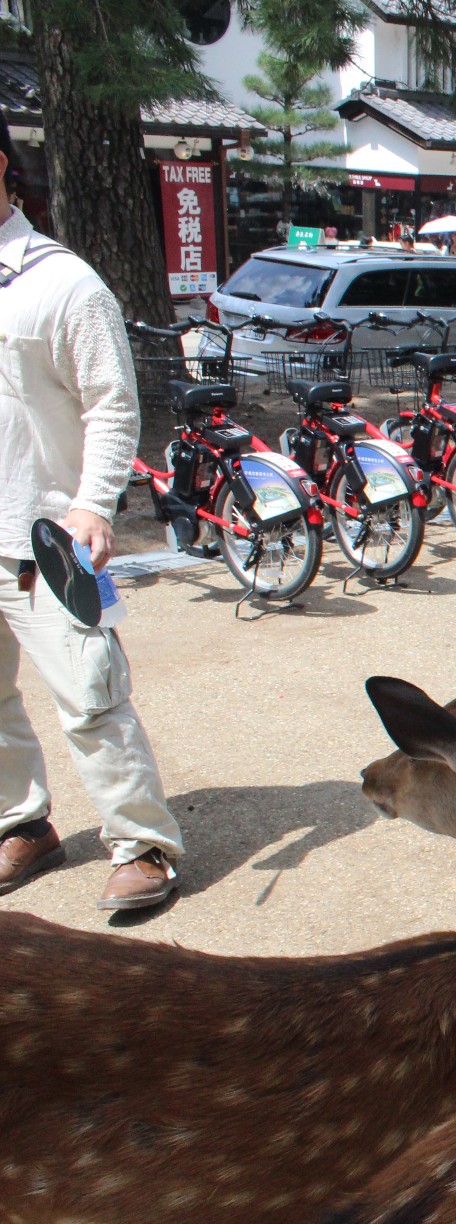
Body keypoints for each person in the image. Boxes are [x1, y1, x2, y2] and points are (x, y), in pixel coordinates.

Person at [0, 123, 184, 913]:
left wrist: (91, 505)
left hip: (42, 537)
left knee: (90, 692)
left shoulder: (66, 284)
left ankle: (144, 844)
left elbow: (114, 405)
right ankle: (22, 822)